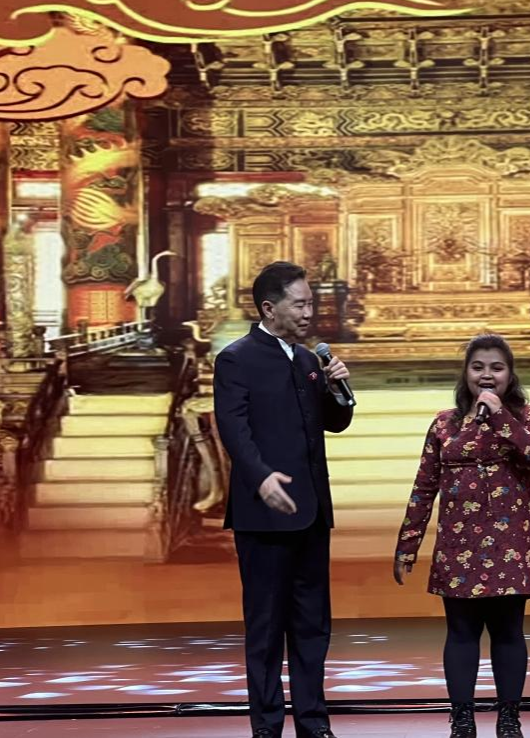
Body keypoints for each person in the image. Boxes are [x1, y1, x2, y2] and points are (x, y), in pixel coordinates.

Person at [214, 261, 354, 738]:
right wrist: (260, 479)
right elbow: (234, 428)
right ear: (269, 308)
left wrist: (337, 388)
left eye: (311, 303)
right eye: (300, 304)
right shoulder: (236, 358)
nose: (309, 313)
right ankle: (267, 727)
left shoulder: (308, 360)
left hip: (311, 513)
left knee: (313, 625)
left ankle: (314, 723)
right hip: (263, 517)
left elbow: (335, 423)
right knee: (267, 628)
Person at [393, 334, 530, 738]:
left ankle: (509, 718)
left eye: (497, 367)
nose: (486, 375)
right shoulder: (444, 423)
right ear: (465, 373)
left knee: (508, 633)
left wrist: (500, 416)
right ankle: (462, 718)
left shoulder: (527, 417)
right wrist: (408, 545)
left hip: (509, 545)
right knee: (461, 634)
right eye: (477, 367)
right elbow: (424, 486)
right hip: (458, 545)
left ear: (510, 374)